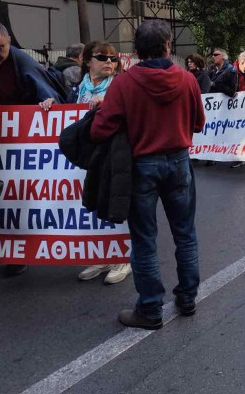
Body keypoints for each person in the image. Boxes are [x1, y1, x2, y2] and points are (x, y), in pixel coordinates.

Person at [91, 20, 205, 329]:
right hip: (179, 163)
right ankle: (188, 298)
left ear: (137, 51)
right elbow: (198, 124)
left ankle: (151, 309)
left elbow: (101, 129)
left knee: (144, 240)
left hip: (141, 167)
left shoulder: (124, 84)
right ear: (168, 45)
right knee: (185, 234)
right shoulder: (186, 79)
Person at [0, 20, 64, 279]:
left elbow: (49, 93)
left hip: (16, 145)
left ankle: (17, 254)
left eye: (0, 48)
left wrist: (49, 101)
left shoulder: (24, 61)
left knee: (15, 199)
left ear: (9, 43)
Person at [43, 41, 134, 283]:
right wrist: (52, 105)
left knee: (116, 201)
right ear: (87, 60)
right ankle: (102, 254)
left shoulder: (122, 87)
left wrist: (107, 104)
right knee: (94, 203)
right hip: (90, 157)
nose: (109, 62)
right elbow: (70, 119)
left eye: (113, 59)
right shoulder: (76, 89)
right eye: (102, 57)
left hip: (116, 155)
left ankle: (122, 258)